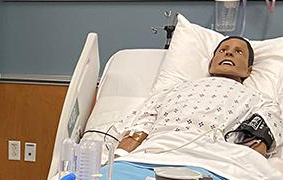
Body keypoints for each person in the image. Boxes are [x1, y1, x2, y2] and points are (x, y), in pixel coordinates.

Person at [117, 36, 282, 158]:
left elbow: (258, 144)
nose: (229, 54)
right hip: (157, 150)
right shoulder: (172, 90)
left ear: (248, 70)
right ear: (211, 64)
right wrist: (118, 160)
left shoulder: (260, 100)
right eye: (223, 50)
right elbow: (141, 127)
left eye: (238, 52)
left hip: (216, 158)